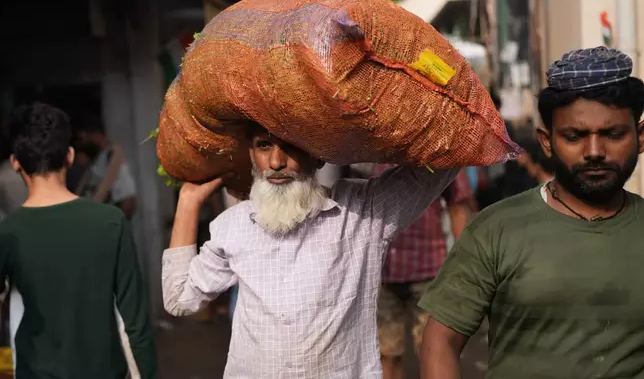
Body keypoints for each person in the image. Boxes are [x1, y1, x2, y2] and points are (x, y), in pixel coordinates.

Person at [162, 122, 459, 378]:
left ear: (319, 156)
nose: (277, 162)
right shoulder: (232, 226)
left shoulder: (361, 213)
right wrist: (188, 201)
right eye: (264, 146)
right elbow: (180, 299)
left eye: (292, 146)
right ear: (251, 156)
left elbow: (447, 159)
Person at [418, 46, 644, 379]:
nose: (594, 151)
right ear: (547, 141)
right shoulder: (496, 230)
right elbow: (440, 342)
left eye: (613, 134)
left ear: (640, 137)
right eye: (574, 136)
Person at [0, 103, 158, 378]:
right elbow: (134, 325)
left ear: (15, 162)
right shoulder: (110, 222)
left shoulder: (8, 233)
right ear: (70, 155)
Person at [369, 165, 473, 379]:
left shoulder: (442, 153)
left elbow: (458, 206)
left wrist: (463, 267)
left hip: (430, 270)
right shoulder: (376, 152)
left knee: (434, 351)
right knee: (387, 353)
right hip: (384, 272)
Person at [73, 118, 137, 220]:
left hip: (119, 206)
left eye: (85, 137)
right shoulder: (97, 158)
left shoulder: (114, 152)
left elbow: (106, 185)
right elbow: (83, 186)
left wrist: (90, 210)